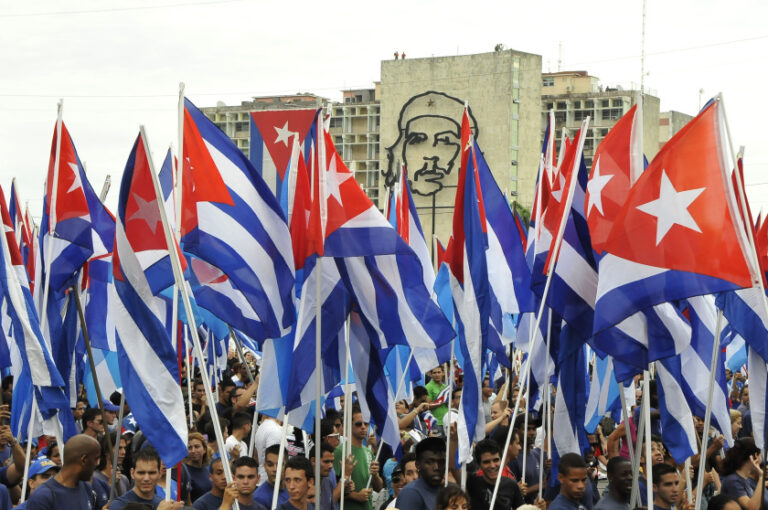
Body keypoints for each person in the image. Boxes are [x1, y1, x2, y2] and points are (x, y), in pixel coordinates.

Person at [26, 434, 100, 510]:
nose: (98, 463)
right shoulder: (42, 497)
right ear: (84, 459)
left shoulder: (86, 487)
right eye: (96, 459)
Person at [333, 405, 382, 510]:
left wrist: (375, 476)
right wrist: (355, 496)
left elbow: (378, 488)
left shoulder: (368, 452)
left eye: (366, 423)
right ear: (349, 425)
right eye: (359, 424)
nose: (363, 427)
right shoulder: (340, 451)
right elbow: (332, 490)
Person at [109, 447, 182, 509]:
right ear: (132, 473)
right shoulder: (119, 505)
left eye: (151, 473)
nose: (146, 478)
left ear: (159, 473)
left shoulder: (163, 504)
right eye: (141, 473)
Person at [467, 439, 524, 510]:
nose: (492, 466)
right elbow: (454, 468)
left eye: (496, 460)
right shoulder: (472, 482)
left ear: (501, 460)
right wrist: (454, 439)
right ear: (479, 465)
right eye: (486, 462)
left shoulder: (511, 485)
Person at [394, 437, 445, 510]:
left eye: (441, 462)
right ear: (418, 464)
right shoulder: (411, 493)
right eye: (430, 462)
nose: (436, 467)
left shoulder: (446, 490)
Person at [720, 438, 768, 510]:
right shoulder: (733, 480)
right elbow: (752, 508)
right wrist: (761, 477)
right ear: (755, 456)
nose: (761, 459)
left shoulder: (744, 478)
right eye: (760, 455)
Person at [254, 416, 282, 486]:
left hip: (262, 478)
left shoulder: (262, 427)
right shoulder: (275, 430)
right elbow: (274, 459)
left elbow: (256, 456)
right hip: (270, 482)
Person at [185, 433, 212, 502]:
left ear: (205, 449)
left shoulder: (207, 469)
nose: (193, 451)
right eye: (190, 448)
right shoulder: (184, 471)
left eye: (197, 446)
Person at [308, 442, 336, 509]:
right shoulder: (302, 485)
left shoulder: (328, 483)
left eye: (332, 462)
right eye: (326, 462)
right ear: (313, 461)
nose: (330, 466)